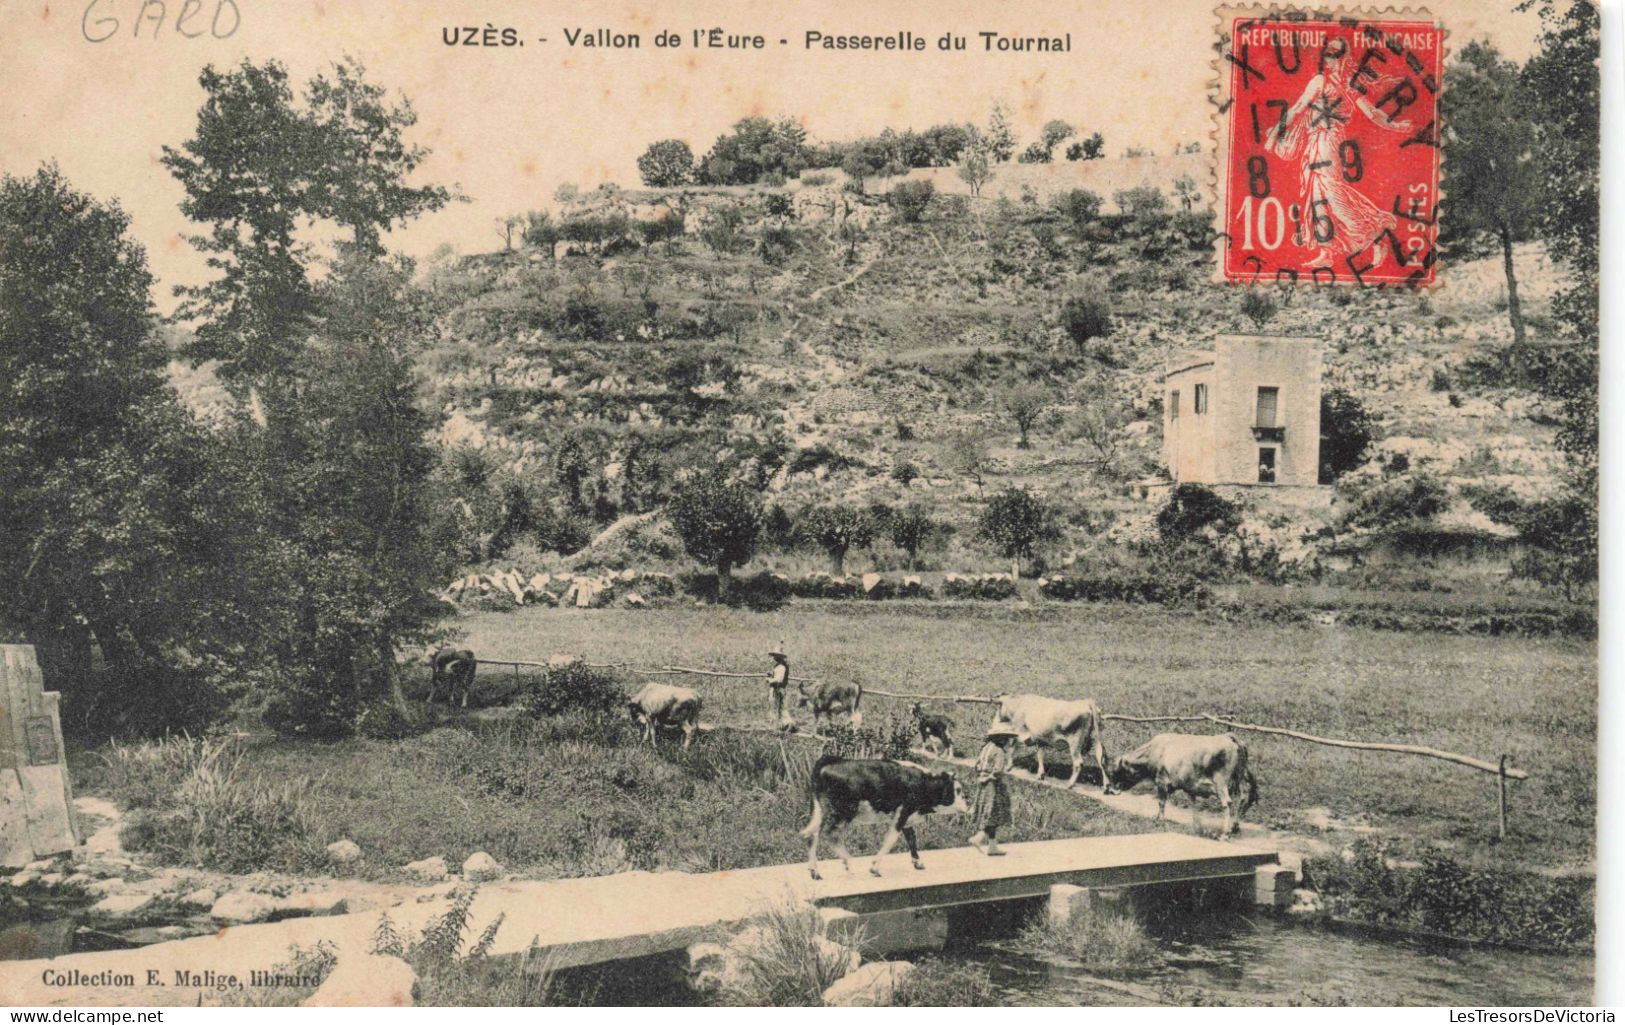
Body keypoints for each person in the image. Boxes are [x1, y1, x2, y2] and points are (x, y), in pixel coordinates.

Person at [969, 724, 1017, 855]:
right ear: (1001, 738)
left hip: (983, 784)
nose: (1008, 741)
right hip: (994, 786)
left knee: (989, 813)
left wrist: (983, 776)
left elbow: (977, 765)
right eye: (1006, 738)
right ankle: (979, 837)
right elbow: (998, 770)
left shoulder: (986, 748)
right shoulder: (999, 751)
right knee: (994, 814)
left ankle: (992, 847)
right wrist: (997, 774)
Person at [767, 644, 791, 729]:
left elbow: (779, 679)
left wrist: (770, 680)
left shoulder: (781, 667)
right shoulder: (778, 666)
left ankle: (784, 724)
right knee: (778, 707)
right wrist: (771, 675)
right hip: (777, 688)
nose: (774, 657)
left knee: (777, 706)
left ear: (780, 657)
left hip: (778, 688)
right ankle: (782, 724)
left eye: (776, 656)